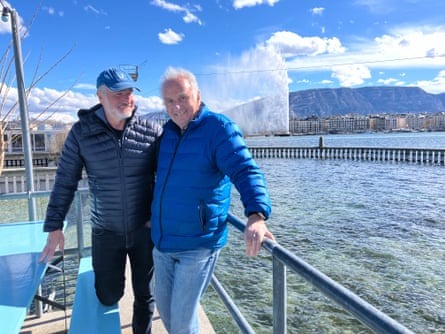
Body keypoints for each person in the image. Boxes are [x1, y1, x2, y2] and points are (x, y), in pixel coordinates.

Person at [151, 66, 275, 333]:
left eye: (182, 97)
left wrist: (256, 215)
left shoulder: (219, 128)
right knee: (168, 316)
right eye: (169, 101)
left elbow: (245, 170)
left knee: (183, 324)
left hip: (198, 245)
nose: (176, 107)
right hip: (162, 243)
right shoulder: (167, 133)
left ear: (197, 94)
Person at [39, 67, 162, 334]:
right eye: (118, 93)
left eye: (129, 92)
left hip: (145, 231)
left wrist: (161, 215)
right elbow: (65, 182)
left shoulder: (151, 130)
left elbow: (169, 177)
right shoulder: (81, 134)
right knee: (108, 295)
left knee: (146, 295)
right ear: (100, 96)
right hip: (106, 232)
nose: (126, 98)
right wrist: (54, 226)